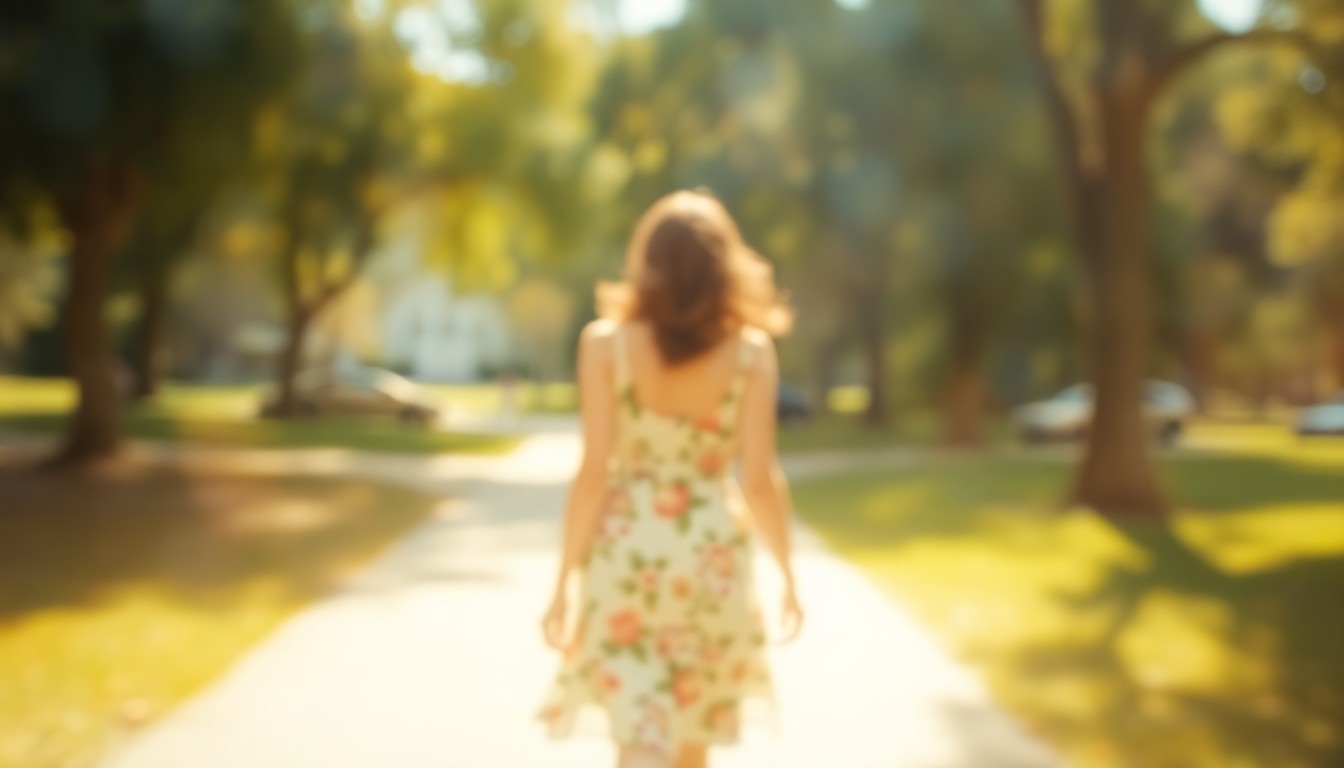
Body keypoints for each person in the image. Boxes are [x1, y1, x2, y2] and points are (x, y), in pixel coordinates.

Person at [538, 190, 804, 768]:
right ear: (724, 268)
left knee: (637, 739)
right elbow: (759, 479)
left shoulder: (605, 345)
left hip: (627, 551)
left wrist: (563, 581)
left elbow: (593, 470)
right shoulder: (751, 354)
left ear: (646, 263)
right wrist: (787, 573)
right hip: (711, 553)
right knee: (691, 739)